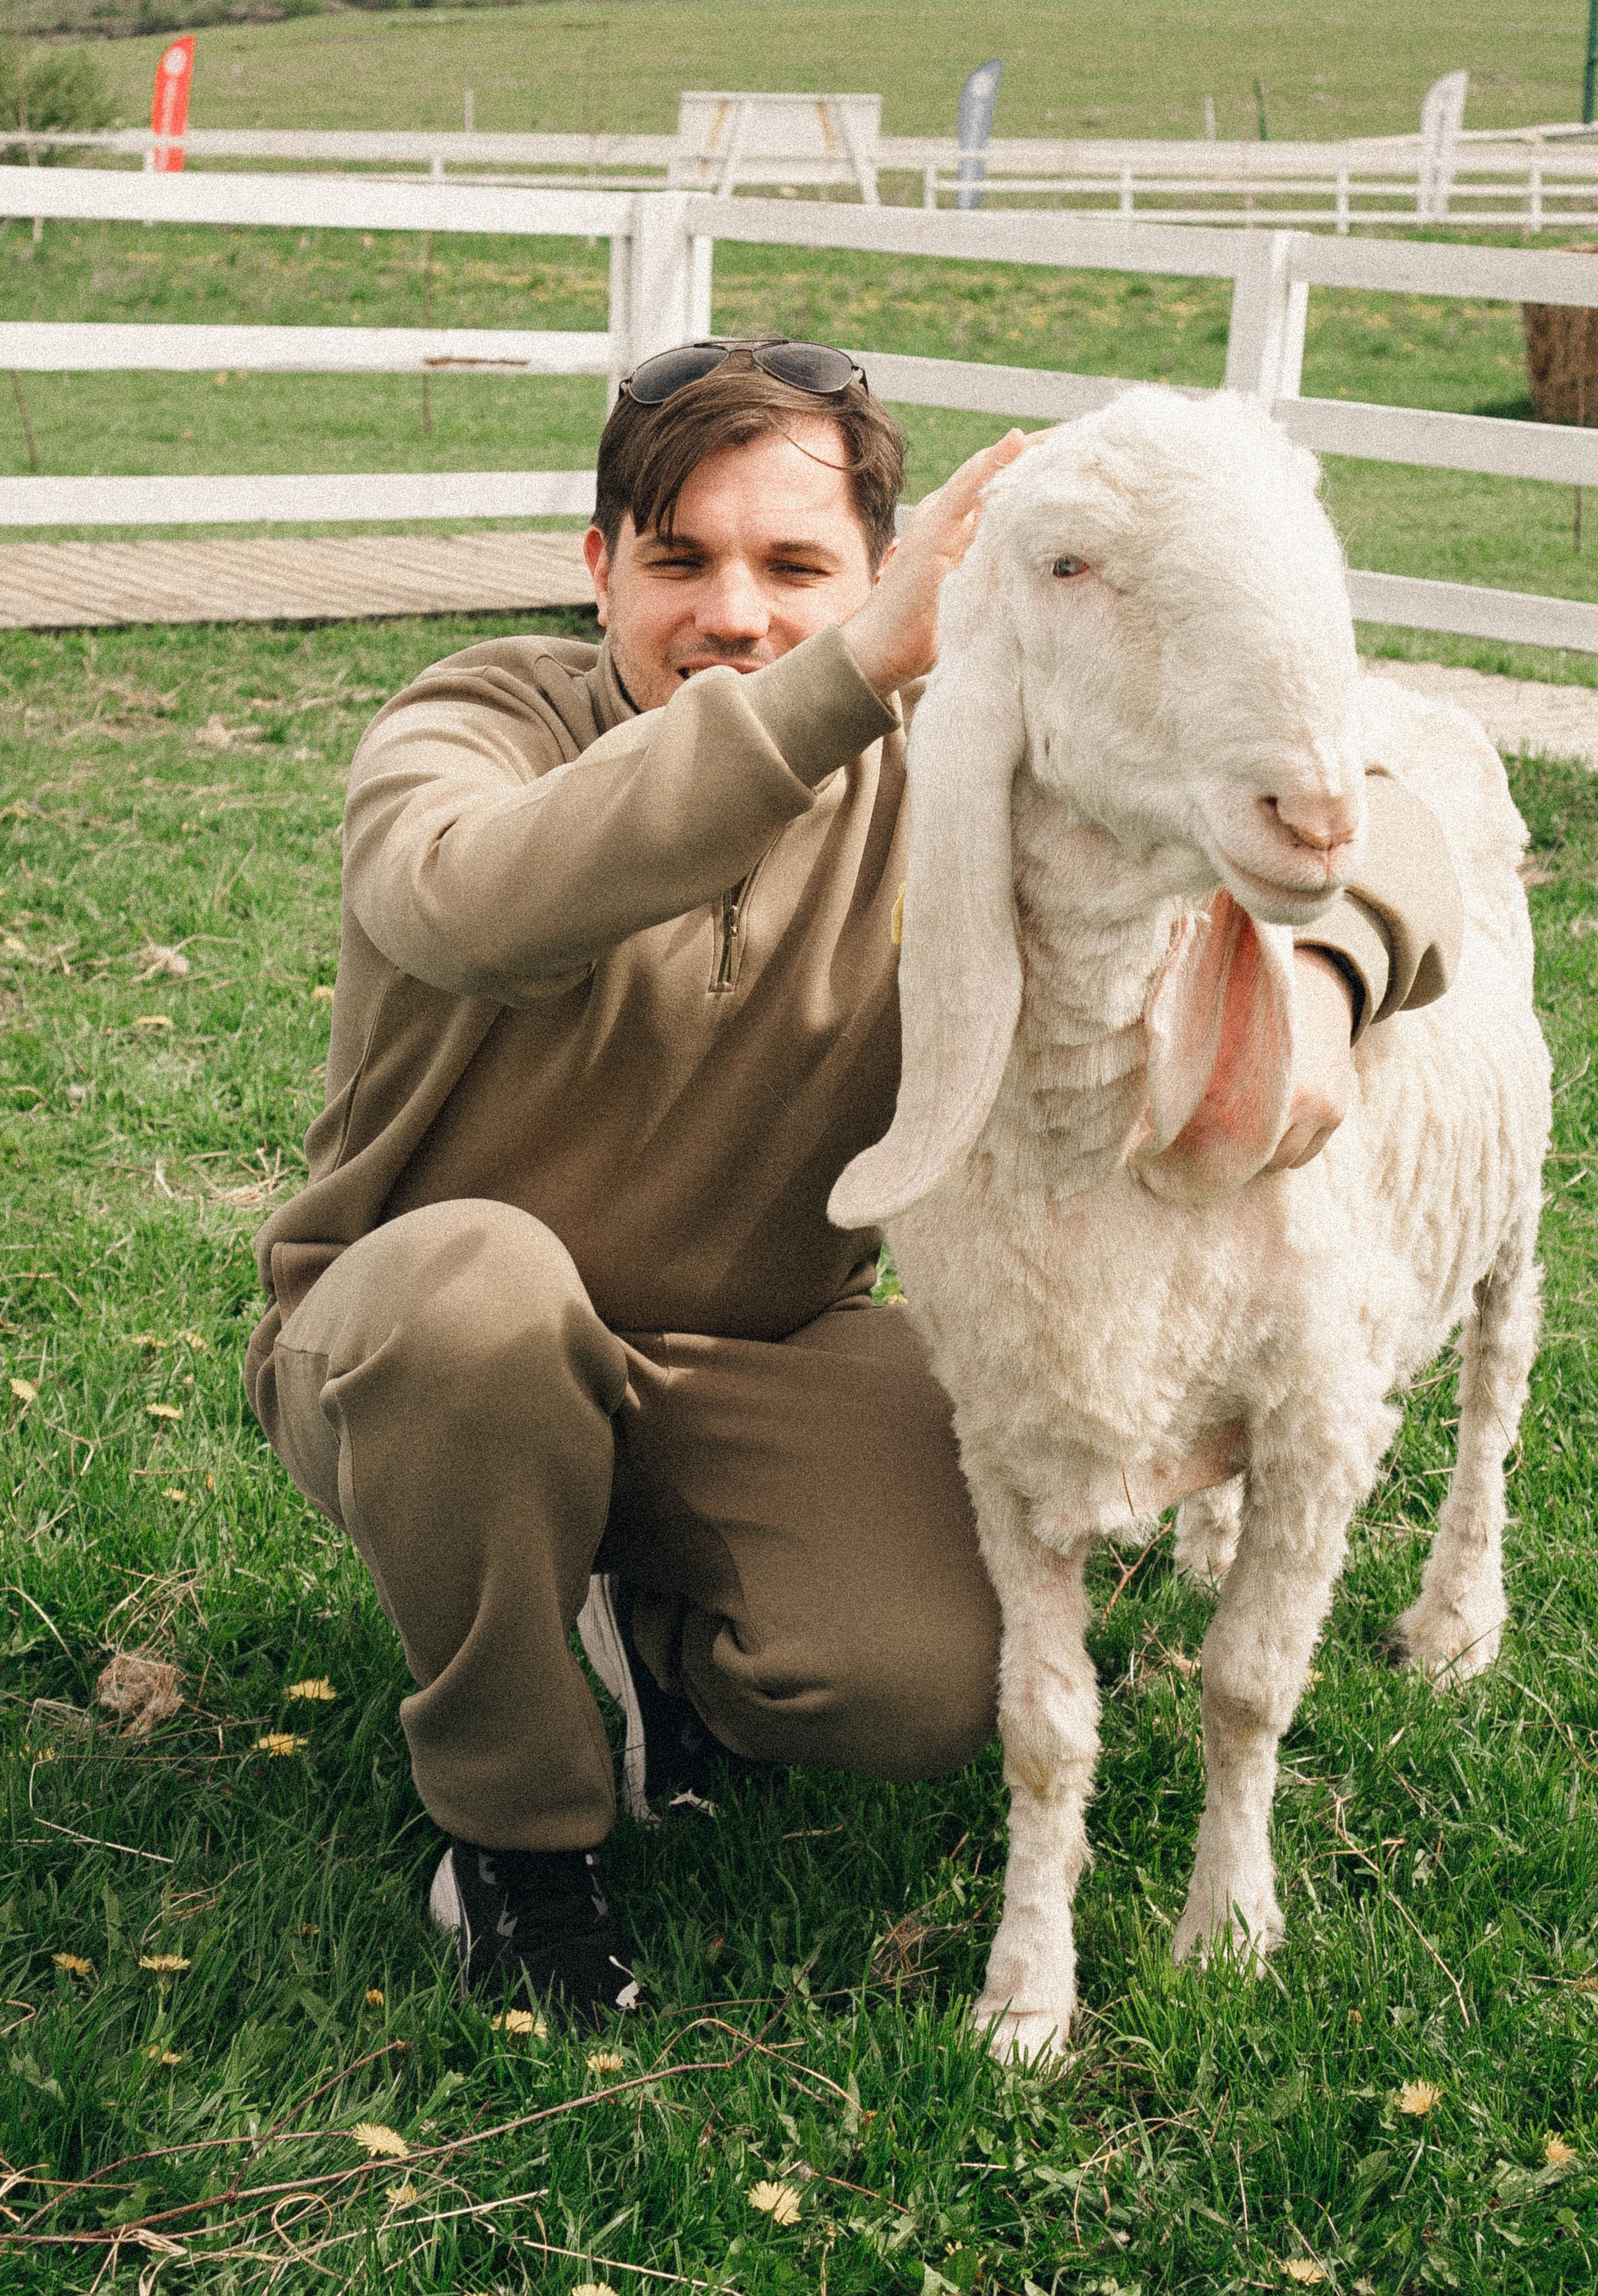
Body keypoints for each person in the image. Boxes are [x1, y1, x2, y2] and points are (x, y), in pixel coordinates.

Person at [245, 336, 1461, 2022]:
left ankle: (649, 1629)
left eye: (796, 566)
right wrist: (845, 678)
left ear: (881, 570)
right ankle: (514, 1836)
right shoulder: (474, 721)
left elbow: (1389, 823)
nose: (735, 614)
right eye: (680, 560)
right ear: (598, 568)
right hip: (414, 1354)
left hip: (755, 1354)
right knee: (476, 1301)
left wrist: (1323, 973)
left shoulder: (942, 770)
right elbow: (467, 902)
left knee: (928, 1679)